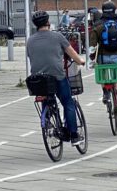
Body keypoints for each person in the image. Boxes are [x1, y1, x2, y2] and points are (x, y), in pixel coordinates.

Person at [27, 9, 85, 143]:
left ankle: (47, 121)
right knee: (68, 103)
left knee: (46, 98)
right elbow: (72, 53)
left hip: (38, 79)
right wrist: (81, 61)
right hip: (57, 76)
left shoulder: (30, 40)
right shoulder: (57, 37)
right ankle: (74, 136)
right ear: (48, 22)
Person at [90, 0, 117, 126]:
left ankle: (106, 93)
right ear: (115, 10)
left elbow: (92, 45)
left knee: (103, 76)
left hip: (103, 58)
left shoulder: (97, 25)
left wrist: (92, 58)